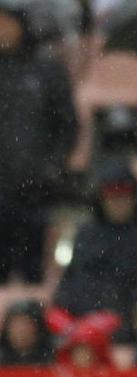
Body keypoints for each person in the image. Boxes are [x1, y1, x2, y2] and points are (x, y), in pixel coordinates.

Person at [0, 4, 77, 284]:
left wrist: (53, 166)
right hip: (0, 187)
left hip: (36, 187)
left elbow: (67, 124)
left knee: (35, 268)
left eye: (5, 23)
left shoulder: (46, 69)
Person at [52, 161, 137, 319]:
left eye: (124, 195)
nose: (118, 203)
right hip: (90, 322)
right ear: (101, 199)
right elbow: (70, 285)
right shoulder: (86, 235)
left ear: (135, 197)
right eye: (111, 196)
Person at [0, 299, 56, 366]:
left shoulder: (55, 358)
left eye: (26, 325)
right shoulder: (2, 359)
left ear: (38, 328)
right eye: (15, 325)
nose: (20, 331)